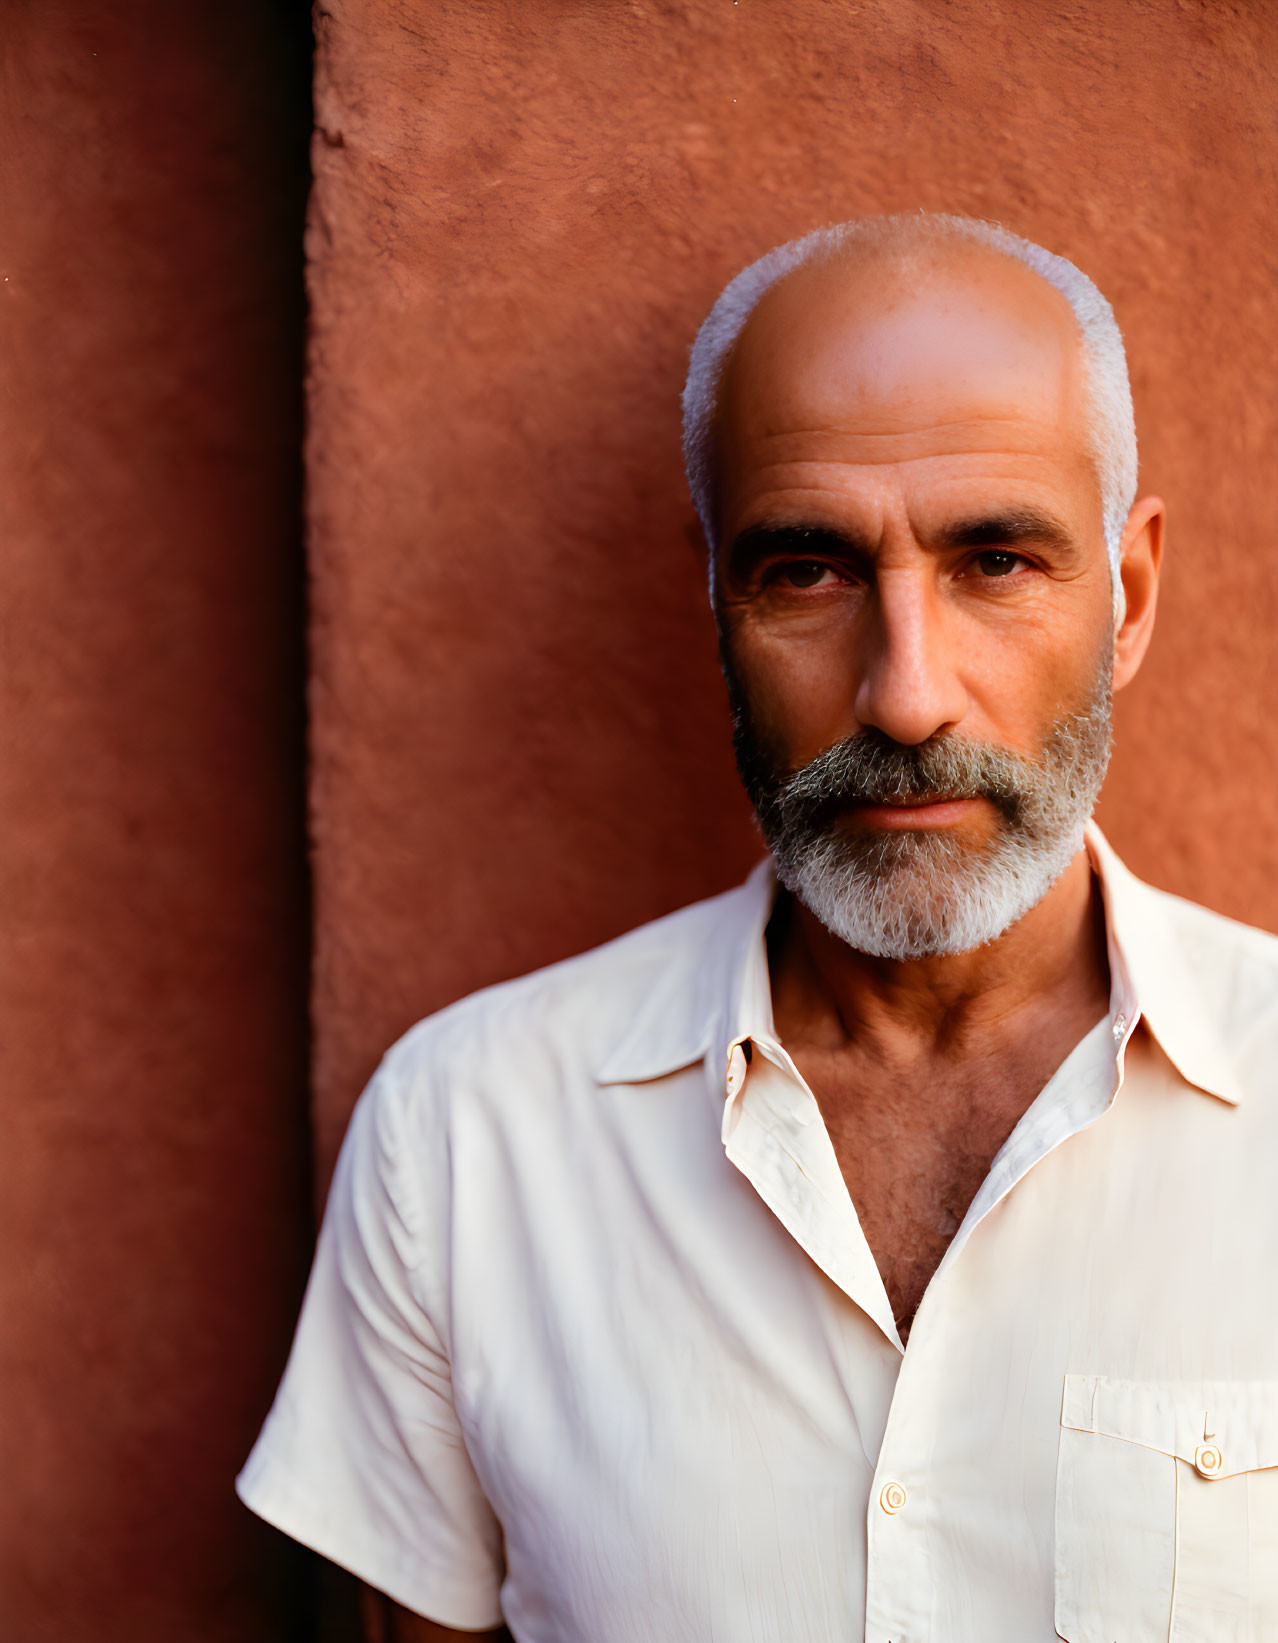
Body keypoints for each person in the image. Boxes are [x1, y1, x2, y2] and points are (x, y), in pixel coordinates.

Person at [237, 214, 1278, 1642]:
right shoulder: (467, 1138)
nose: (906, 698)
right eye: (806, 570)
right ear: (713, 595)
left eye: (996, 562)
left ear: (1128, 596)